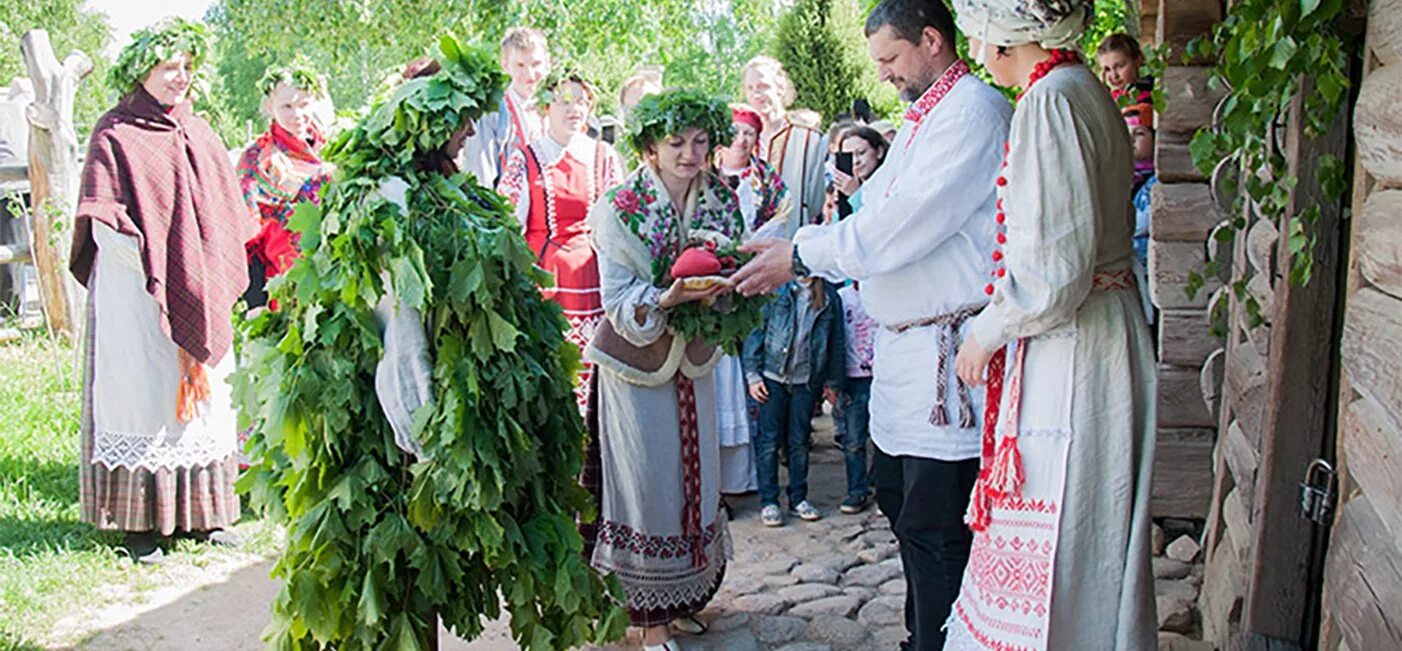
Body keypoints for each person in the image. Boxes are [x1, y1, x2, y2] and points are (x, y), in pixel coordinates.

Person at [731, 1, 1013, 646]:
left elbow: (899, 226)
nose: (882, 74)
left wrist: (801, 253)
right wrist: (800, 238)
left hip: (948, 355)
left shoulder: (973, 111)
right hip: (904, 354)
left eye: (890, 57)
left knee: (938, 523)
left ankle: (945, 641)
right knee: (897, 499)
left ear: (932, 40)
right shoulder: (925, 116)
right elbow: (874, 206)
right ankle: (926, 634)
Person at [945, 2, 1158, 649]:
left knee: (1068, 528)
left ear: (1001, 32)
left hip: (1076, 345)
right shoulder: (1081, 88)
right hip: (1098, 327)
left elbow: (1054, 269)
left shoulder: (1051, 102)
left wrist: (987, 329)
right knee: (1090, 526)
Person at [71, 18, 254, 565]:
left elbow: (223, 212)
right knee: (145, 400)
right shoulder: (115, 133)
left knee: (204, 406)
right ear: (141, 69)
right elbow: (104, 220)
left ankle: (203, 517)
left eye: (187, 67)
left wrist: (202, 275)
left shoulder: (199, 131)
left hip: (198, 288)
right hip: (137, 293)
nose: (180, 77)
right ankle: (141, 526)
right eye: (169, 67)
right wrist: (159, 271)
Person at [581, 89, 742, 651]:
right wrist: (667, 298)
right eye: (676, 142)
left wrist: (726, 288)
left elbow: (734, 273)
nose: (690, 153)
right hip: (633, 361)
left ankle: (683, 600)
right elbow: (617, 298)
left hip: (693, 359)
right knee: (646, 485)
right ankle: (647, 621)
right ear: (649, 146)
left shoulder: (720, 199)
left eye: (701, 141)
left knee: (693, 479)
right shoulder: (619, 205)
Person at [497, 69, 623, 410]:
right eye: (564, 100)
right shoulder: (525, 159)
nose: (574, 109)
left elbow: (620, 222)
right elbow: (507, 224)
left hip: (595, 281)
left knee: (597, 382)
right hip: (548, 282)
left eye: (581, 101)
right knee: (554, 377)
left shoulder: (603, 157)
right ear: (544, 106)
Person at [713, 104, 792, 495]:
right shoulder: (705, 177)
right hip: (714, 279)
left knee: (755, 366)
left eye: (748, 133)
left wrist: (750, 247)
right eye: (735, 132)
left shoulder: (767, 181)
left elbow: (781, 217)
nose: (741, 140)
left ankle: (753, 477)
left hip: (756, 274)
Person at [742, 276, 845, 527]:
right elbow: (757, 330)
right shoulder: (776, 291)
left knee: (798, 442)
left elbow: (836, 342)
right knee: (769, 440)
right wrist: (753, 375)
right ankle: (769, 501)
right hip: (772, 378)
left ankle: (798, 498)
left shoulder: (829, 297)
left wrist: (833, 383)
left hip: (806, 381)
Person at [238, 60, 334, 310]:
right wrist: (255, 305)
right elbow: (247, 239)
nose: (297, 115)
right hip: (285, 287)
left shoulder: (333, 149)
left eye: (303, 104)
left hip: (336, 281)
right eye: (287, 106)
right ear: (271, 107)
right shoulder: (256, 159)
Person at [741, 55, 828, 235]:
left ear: (780, 88)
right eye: (750, 88)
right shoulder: (740, 140)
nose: (756, 94)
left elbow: (815, 202)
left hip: (792, 238)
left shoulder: (807, 138)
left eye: (763, 86)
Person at [459, 26, 550, 187]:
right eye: (520, 65)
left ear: (547, 63)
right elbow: (481, 175)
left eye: (536, 64)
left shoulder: (555, 109)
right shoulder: (493, 112)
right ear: (506, 66)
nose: (529, 75)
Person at [835, 280, 877, 514]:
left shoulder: (885, 293)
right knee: (853, 440)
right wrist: (833, 381)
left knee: (884, 438)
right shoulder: (842, 298)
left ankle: (882, 486)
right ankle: (857, 491)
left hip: (883, 374)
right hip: (853, 377)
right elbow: (833, 337)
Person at [1126, 102, 1157, 322]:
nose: (1131, 141)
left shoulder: (1156, 181)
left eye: (1139, 133)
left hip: (1151, 268)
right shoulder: (1124, 177)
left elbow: (1140, 222)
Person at [832, 125, 889, 213]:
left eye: (861, 153)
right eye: (849, 157)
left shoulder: (891, 184)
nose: (855, 161)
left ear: (879, 152)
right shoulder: (843, 188)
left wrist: (855, 194)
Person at [1097, 32, 1153, 106]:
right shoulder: (1114, 97)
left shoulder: (1149, 96)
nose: (1114, 76)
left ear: (1138, 60)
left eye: (1119, 66)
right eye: (1107, 69)